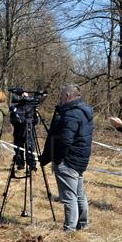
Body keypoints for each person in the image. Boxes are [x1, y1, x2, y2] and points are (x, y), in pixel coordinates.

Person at [40, 84, 94, 231]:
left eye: (62, 95)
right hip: (80, 159)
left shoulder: (71, 114)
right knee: (79, 194)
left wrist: (57, 159)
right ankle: (83, 224)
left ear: (68, 96)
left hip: (69, 160)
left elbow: (65, 140)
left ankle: (69, 229)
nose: (60, 98)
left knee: (69, 196)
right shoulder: (84, 110)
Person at [9, 93, 38, 171]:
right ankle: (20, 164)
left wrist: (30, 123)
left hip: (29, 130)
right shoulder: (15, 108)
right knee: (18, 149)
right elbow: (12, 120)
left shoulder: (32, 107)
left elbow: (35, 120)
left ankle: (31, 164)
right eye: (22, 97)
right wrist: (18, 123)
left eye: (26, 97)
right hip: (18, 131)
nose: (24, 99)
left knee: (30, 148)